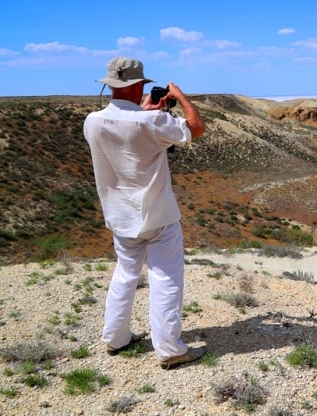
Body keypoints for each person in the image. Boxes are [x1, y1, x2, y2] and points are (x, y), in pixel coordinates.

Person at [83, 56, 206, 369]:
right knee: (165, 278)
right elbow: (196, 128)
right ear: (139, 85)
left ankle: (115, 338)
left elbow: (128, 133)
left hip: (120, 217)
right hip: (158, 216)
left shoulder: (92, 121)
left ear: (109, 84)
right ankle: (169, 349)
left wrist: (146, 112)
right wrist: (179, 97)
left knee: (125, 275)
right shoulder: (152, 123)